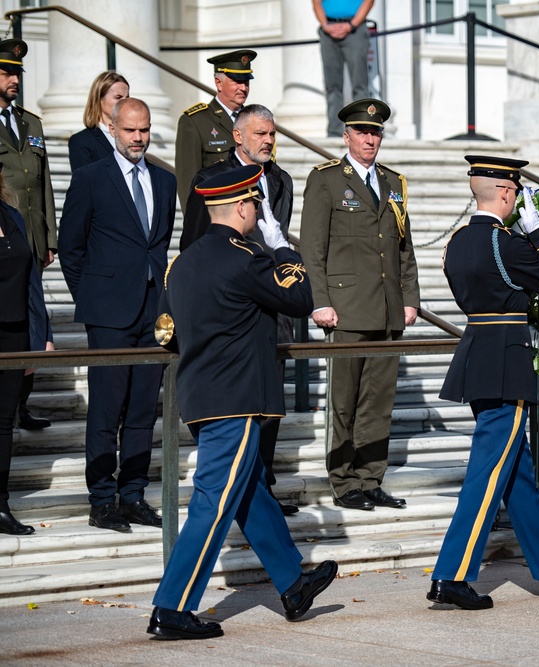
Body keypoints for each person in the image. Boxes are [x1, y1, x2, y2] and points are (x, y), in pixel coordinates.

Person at [147, 164, 336, 641]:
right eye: (255, 204)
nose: (257, 210)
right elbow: (301, 296)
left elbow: (167, 331)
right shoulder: (248, 257)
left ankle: (292, 583)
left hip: (202, 394)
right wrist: (283, 247)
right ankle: (172, 607)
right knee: (212, 503)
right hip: (235, 397)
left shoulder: (183, 262)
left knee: (249, 492)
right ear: (242, 207)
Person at [426, 155, 539, 610]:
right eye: (515, 191)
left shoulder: (457, 243)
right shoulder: (505, 245)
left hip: (477, 353)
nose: (517, 197)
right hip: (506, 361)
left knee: (515, 470)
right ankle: (451, 575)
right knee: (486, 475)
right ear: (505, 192)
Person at [58, 98, 175, 532]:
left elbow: (158, 245)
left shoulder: (164, 181)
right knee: (106, 409)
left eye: (144, 130)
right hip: (108, 314)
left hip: (152, 313)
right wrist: (93, 297)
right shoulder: (91, 178)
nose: (138, 138)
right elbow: (71, 247)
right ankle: (102, 499)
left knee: (144, 408)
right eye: (130, 131)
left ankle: (133, 495)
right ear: (113, 130)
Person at [300, 98, 419, 511]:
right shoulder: (327, 180)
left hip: (387, 308)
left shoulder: (394, 183)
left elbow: (403, 249)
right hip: (346, 308)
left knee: (378, 400)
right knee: (344, 401)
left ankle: (371, 478)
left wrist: (410, 298)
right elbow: (312, 248)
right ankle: (343, 481)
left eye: (376, 132)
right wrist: (320, 302)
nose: (370, 139)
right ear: (346, 136)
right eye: (362, 132)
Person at [178, 104, 298, 515]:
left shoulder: (281, 180)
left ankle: (261, 485)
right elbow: (194, 247)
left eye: (271, 133)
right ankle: (239, 490)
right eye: (260, 133)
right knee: (239, 403)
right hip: (229, 307)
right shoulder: (211, 180)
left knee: (269, 404)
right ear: (238, 136)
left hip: (272, 302)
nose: (268, 140)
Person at [0, 39, 56, 431]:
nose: (14, 79)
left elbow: (45, 183)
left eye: (17, 73)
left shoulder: (30, 122)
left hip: (30, 238)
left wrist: (50, 236)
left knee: (34, 320)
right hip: (4, 238)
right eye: (7, 72)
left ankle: (22, 402)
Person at [0, 167, 53, 536]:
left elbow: (31, 283)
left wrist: (41, 337)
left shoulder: (12, 215)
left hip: (14, 335)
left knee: (3, 423)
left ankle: (0, 505)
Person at [175, 50, 255, 212]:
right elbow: (188, 184)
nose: (243, 88)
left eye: (246, 81)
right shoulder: (195, 122)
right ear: (218, 83)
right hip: (218, 219)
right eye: (236, 81)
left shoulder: (255, 121)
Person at [312, 0, 373, 137]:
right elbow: (316, 3)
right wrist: (325, 25)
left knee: (359, 84)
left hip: (355, 29)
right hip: (328, 29)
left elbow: (369, 1)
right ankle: (334, 131)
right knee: (332, 85)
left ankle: (362, 128)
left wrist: (352, 24)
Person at [68, 71, 130, 172]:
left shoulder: (133, 136)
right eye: (118, 97)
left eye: (127, 98)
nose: (124, 103)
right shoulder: (81, 141)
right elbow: (85, 182)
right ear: (99, 99)